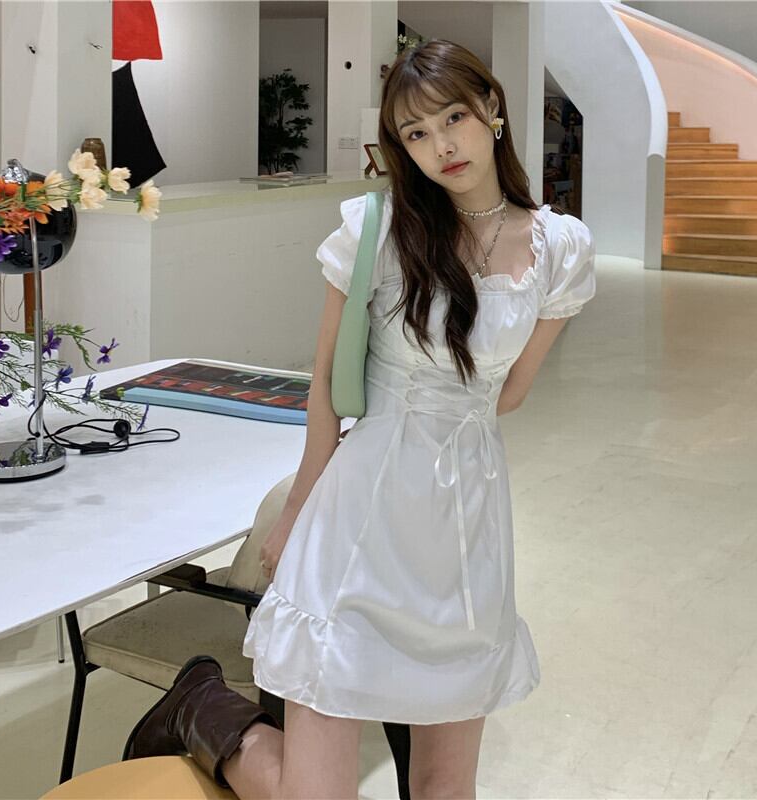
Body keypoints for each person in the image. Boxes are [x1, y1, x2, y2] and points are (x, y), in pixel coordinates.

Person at [123, 38, 596, 799]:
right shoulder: (378, 231)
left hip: (466, 525)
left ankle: (203, 705)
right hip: (361, 514)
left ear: (493, 110)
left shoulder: (560, 248)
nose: (441, 146)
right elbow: (324, 388)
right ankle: (202, 707)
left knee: (445, 788)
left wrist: (452, 414)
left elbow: (510, 393)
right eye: (416, 133)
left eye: (454, 118)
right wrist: (296, 513)